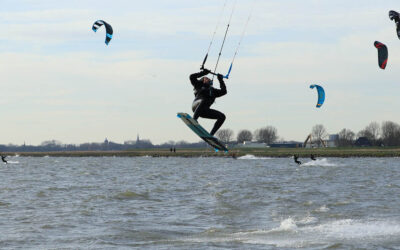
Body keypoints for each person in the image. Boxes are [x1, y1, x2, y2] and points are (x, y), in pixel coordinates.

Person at [189, 68, 227, 135]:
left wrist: (220, 80)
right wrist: (203, 73)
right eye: (206, 78)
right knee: (205, 99)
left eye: (209, 79)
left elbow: (224, 91)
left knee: (222, 117)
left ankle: (211, 135)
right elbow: (192, 76)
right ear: (202, 80)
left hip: (204, 111)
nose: (208, 79)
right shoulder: (198, 85)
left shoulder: (213, 91)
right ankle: (194, 119)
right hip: (196, 106)